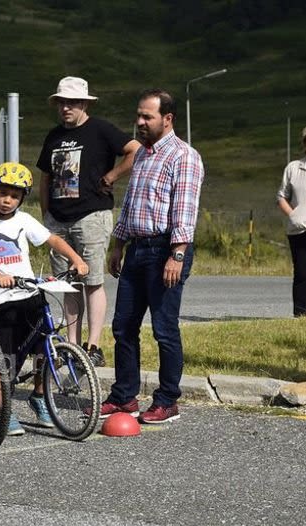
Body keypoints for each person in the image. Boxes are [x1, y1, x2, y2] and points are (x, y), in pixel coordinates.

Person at [103, 89, 204, 425]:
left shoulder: (183, 156)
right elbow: (132, 204)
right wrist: (118, 243)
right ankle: (124, 397)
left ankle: (167, 400)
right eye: (139, 115)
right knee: (123, 327)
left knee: (164, 328)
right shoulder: (143, 154)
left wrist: (177, 254)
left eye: (147, 117)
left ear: (168, 119)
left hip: (166, 250)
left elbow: (184, 210)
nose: (140, 122)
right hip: (137, 249)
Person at [0, 162, 89, 435]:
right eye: (3, 194)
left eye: (15, 196)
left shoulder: (24, 221)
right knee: (4, 359)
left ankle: (38, 395)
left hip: (30, 293)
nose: (8, 200)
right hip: (2, 300)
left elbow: (52, 240)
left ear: (22, 198)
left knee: (44, 349)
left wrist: (76, 259)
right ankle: (5, 410)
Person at [36, 76, 140, 367]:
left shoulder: (101, 129)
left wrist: (112, 176)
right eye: (61, 103)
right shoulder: (53, 136)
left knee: (92, 281)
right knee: (66, 285)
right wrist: (45, 215)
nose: (65, 108)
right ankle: (71, 345)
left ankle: (92, 346)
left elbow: (135, 150)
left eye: (71, 103)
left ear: (83, 103)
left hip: (91, 215)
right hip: (57, 220)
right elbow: (45, 176)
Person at [277, 126, 306, 316]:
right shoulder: (294, 168)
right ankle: (301, 314)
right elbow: (281, 196)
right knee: (302, 273)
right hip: (299, 229)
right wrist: (293, 215)